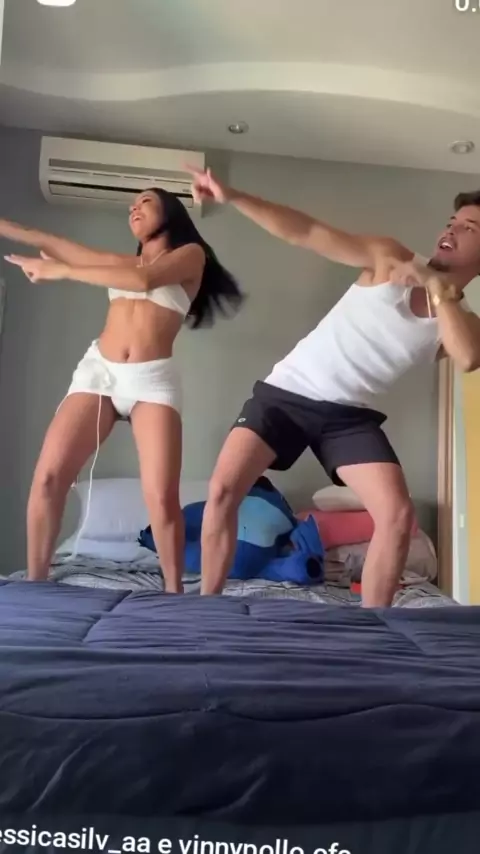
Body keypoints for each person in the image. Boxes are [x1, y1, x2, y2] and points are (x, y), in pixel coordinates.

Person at [189, 168, 480, 606]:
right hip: (286, 393)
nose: (450, 231)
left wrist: (441, 291)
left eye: (469, 228)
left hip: (347, 418)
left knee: (398, 516)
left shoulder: (463, 323)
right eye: (451, 222)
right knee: (223, 491)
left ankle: (375, 623)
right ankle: (204, 607)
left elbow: (468, 356)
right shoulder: (390, 258)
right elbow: (307, 232)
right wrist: (232, 195)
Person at [1, 188, 243, 589]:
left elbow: (143, 280)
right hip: (98, 373)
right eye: (132, 204)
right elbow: (50, 241)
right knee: (48, 478)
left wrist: (62, 271)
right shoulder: (122, 264)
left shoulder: (190, 256)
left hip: (152, 382)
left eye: (145, 201)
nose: (134, 207)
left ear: (171, 212)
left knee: (161, 498)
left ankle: (173, 593)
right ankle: (36, 585)